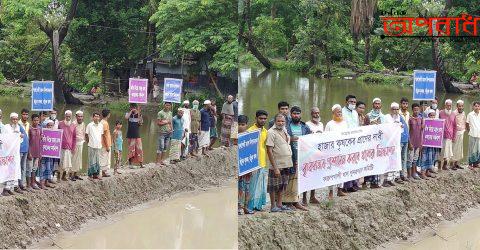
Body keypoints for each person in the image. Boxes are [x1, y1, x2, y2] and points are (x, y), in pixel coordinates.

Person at [266, 114, 293, 213]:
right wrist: (275, 167)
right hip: (276, 164)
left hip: (286, 163)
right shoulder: (271, 132)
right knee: (273, 186)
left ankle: (280, 204)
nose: (281, 123)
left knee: (283, 184)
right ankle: (273, 206)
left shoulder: (285, 131)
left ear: (285, 122)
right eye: (278, 121)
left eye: (282, 121)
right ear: (275, 121)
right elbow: (269, 150)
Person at [285, 106, 310, 210]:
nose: (296, 115)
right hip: (290, 155)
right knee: (289, 178)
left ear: (301, 114)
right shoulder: (286, 126)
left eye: (298, 114)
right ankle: (287, 201)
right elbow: (282, 139)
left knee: (299, 179)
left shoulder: (305, 127)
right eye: (294, 114)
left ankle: (296, 201)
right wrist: (291, 139)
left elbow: (310, 140)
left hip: (302, 156)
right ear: (291, 114)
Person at [247, 110, 269, 212]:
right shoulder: (250, 131)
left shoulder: (265, 131)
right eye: (261, 118)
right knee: (252, 185)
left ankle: (258, 205)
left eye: (265, 119)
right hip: (253, 163)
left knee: (260, 185)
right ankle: (249, 206)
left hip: (262, 161)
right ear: (256, 118)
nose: (263, 120)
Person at [325, 104, 348, 198]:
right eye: (337, 112)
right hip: (332, 151)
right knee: (331, 171)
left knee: (341, 170)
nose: (339, 113)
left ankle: (339, 190)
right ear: (333, 113)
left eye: (340, 112)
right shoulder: (329, 124)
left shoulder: (345, 123)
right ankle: (330, 192)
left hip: (342, 150)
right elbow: (325, 137)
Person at [384, 102, 408, 184]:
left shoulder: (399, 117)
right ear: (390, 109)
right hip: (388, 143)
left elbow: (403, 129)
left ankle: (395, 177)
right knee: (389, 160)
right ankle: (388, 179)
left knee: (396, 159)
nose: (396, 111)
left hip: (397, 143)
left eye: (397, 109)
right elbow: (383, 129)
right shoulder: (386, 117)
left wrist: (400, 127)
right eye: (394, 109)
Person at [3, 113, 27, 194]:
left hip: (15, 153)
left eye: (16, 119)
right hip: (7, 153)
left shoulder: (18, 127)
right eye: (13, 119)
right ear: (10, 119)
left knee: (15, 169)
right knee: (7, 170)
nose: (15, 121)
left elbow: (19, 141)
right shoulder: (6, 127)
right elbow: (3, 138)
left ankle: (10, 188)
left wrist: (20, 137)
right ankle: (5, 189)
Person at [303, 107, 323, 204]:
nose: (317, 115)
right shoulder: (307, 125)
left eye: (318, 113)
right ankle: (304, 198)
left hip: (317, 153)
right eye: (315, 113)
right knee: (306, 175)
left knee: (315, 175)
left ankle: (312, 196)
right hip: (308, 153)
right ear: (311, 114)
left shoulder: (321, 124)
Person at [342, 95, 360, 192]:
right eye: (351, 102)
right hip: (345, 141)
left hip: (355, 141)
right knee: (346, 163)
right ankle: (345, 186)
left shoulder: (355, 113)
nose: (353, 104)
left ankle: (354, 184)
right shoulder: (342, 112)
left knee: (354, 162)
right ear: (346, 102)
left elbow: (357, 126)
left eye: (354, 102)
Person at [365, 98, 384, 187]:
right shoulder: (368, 115)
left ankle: (375, 183)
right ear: (373, 105)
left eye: (378, 104)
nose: (377, 105)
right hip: (369, 142)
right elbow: (364, 128)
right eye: (375, 104)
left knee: (377, 161)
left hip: (379, 142)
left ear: (381, 105)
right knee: (368, 161)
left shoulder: (383, 116)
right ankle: (365, 182)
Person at [237, 115, 253, 215]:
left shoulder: (250, 136)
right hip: (238, 167)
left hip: (247, 167)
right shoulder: (235, 137)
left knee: (247, 188)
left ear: (247, 125)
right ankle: (238, 207)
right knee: (239, 189)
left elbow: (252, 152)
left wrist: (252, 166)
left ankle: (246, 207)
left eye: (243, 124)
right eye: (239, 124)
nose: (241, 127)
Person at [58, 110, 77, 181]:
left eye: (69, 116)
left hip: (69, 147)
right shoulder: (60, 124)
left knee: (67, 162)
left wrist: (73, 147)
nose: (68, 117)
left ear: (71, 117)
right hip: (60, 146)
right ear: (65, 116)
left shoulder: (73, 125)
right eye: (67, 116)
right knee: (60, 161)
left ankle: (64, 176)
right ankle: (58, 176)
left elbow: (74, 138)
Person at [439, 99, 457, 171]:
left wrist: (454, 136)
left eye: (450, 105)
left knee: (448, 151)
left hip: (450, 135)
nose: (449, 107)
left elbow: (455, 126)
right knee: (441, 151)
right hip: (442, 136)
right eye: (448, 105)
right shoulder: (440, 113)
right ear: (445, 105)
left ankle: (445, 165)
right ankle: (439, 166)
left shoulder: (453, 114)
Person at [420, 110, 439, 178]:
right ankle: (422, 172)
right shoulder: (425, 121)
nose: (432, 117)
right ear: (428, 115)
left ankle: (428, 171)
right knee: (424, 157)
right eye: (431, 115)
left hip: (432, 143)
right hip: (425, 143)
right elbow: (422, 132)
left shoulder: (436, 122)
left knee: (431, 157)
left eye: (434, 115)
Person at [39, 120, 57, 189]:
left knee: (49, 167)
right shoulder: (42, 133)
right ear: (45, 126)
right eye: (48, 125)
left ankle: (46, 182)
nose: (50, 127)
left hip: (50, 154)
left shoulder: (54, 133)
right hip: (43, 154)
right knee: (43, 167)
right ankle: (42, 183)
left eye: (51, 125)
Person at [86, 112, 104, 180]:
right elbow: (86, 135)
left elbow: (101, 135)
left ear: (99, 118)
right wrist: (89, 142)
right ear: (93, 117)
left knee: (97, 160)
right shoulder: (89, 125)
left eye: (98, 116)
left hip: (98, 145)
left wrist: (101, 143)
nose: (97, 118)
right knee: (91, 160)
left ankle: (96, 174)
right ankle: (89, 175)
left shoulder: (101, 125)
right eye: (95, 116)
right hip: (91, 145)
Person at [125, 103, 144, 168]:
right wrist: (131, 111)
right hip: (130, 135)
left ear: (136, 107)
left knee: (139, 149)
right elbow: (126, 117)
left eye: (133, 107)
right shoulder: (128, 114)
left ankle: (141, 163)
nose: (132, 108)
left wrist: (138, 113)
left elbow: (140, 123)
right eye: (131, 107)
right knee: (131, 149)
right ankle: (130, 164)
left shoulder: (139, 115)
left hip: (137, 135)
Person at [27, 114, 42, 190]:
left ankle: (33, 183)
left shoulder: (40, 129)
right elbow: (28, 142)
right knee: (29, 168)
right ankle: (28, 185)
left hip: (37, 152)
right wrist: (29, 152)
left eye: (37, 120)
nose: (36, 122)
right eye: (35, 120)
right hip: (31, 152)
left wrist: (40, 153)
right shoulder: (29, 129)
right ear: (32, 120)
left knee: (34, 169)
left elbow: (40, 141)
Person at [409, 103, 423, 180]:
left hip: (418, 142)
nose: (416, 111)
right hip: (411, 142)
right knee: (410, 159)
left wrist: (421, 143)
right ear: (412, 110)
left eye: (417, 110)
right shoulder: (410, 119)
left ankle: (414, 173)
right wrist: (409, 143)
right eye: (415, 110)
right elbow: (408, 131)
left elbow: (421, 132)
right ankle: (410, 174)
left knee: (415, 159)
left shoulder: (421, 119)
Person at [452, 100, 466, 169]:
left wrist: (464, 129)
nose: (461, 107)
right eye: (459, 106)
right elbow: (452, 124)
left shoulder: (463, 113)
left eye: (462, 106)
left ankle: (457, 163)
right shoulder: (454, 113)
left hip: (461, 132)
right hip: (455, 133)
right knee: (454, 148)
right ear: (457, 106)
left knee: (460, 148)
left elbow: (464, 121)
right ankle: (452, 164)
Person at [72, 110, 85, 180]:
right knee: (73, 159)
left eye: (81, 116)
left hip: (81, 143)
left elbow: (83, 132)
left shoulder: (83, 124)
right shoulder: (73, 124)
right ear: (76, 116)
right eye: (79, 116)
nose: (80, 118)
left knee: (79, 159)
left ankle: (76, 173)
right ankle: (71, 175)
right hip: (75, 143)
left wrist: (83, 140)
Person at [466, 101, 480, 170]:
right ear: (473, 107)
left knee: (477, 149)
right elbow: (467, 123)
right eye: (475, 106)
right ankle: (469, 164)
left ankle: (476, 164)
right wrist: (469, 130)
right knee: (471, 149)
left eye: (478, 106)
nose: (477, 107)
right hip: (472, 134)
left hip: (479, 135)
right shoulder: (470, 114)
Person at [100, 109, 112, 177]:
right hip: (105, 144)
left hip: (103, 143)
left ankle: (103, 172)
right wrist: (107, 146)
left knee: (103, 157)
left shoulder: (101, 122)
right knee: (105, 158)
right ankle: (103, 172)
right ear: (108, 115)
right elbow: (104, 135)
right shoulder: (105, 123)